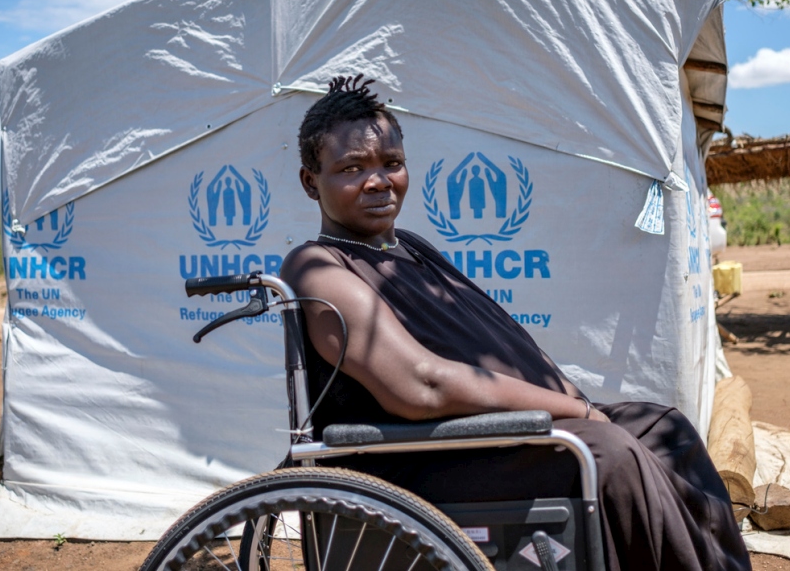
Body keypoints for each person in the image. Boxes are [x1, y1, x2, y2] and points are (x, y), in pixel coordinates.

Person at [281, 74, 752, 571]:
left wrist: (572, 398)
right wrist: (577, 412)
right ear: (311, 181)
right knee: (606, 452)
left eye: (391, 163)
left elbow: (498, 337)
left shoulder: (411, 248)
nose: (379, 180)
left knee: (661, 427)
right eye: (352, 168)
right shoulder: (318, 266)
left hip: (469, 436)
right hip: (407, 458)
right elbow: (422, 387)